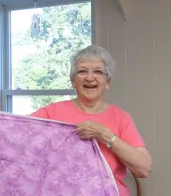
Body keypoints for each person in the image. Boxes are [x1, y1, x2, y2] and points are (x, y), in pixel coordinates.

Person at [29, 45, 151, 196]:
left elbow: (143, 168)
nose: (89, 77)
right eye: (82, 71)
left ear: (108, 82)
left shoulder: (121, 118)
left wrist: (104, 134)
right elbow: (15, 135)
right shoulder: (51, 112)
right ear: (73, 81)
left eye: (98, 72)